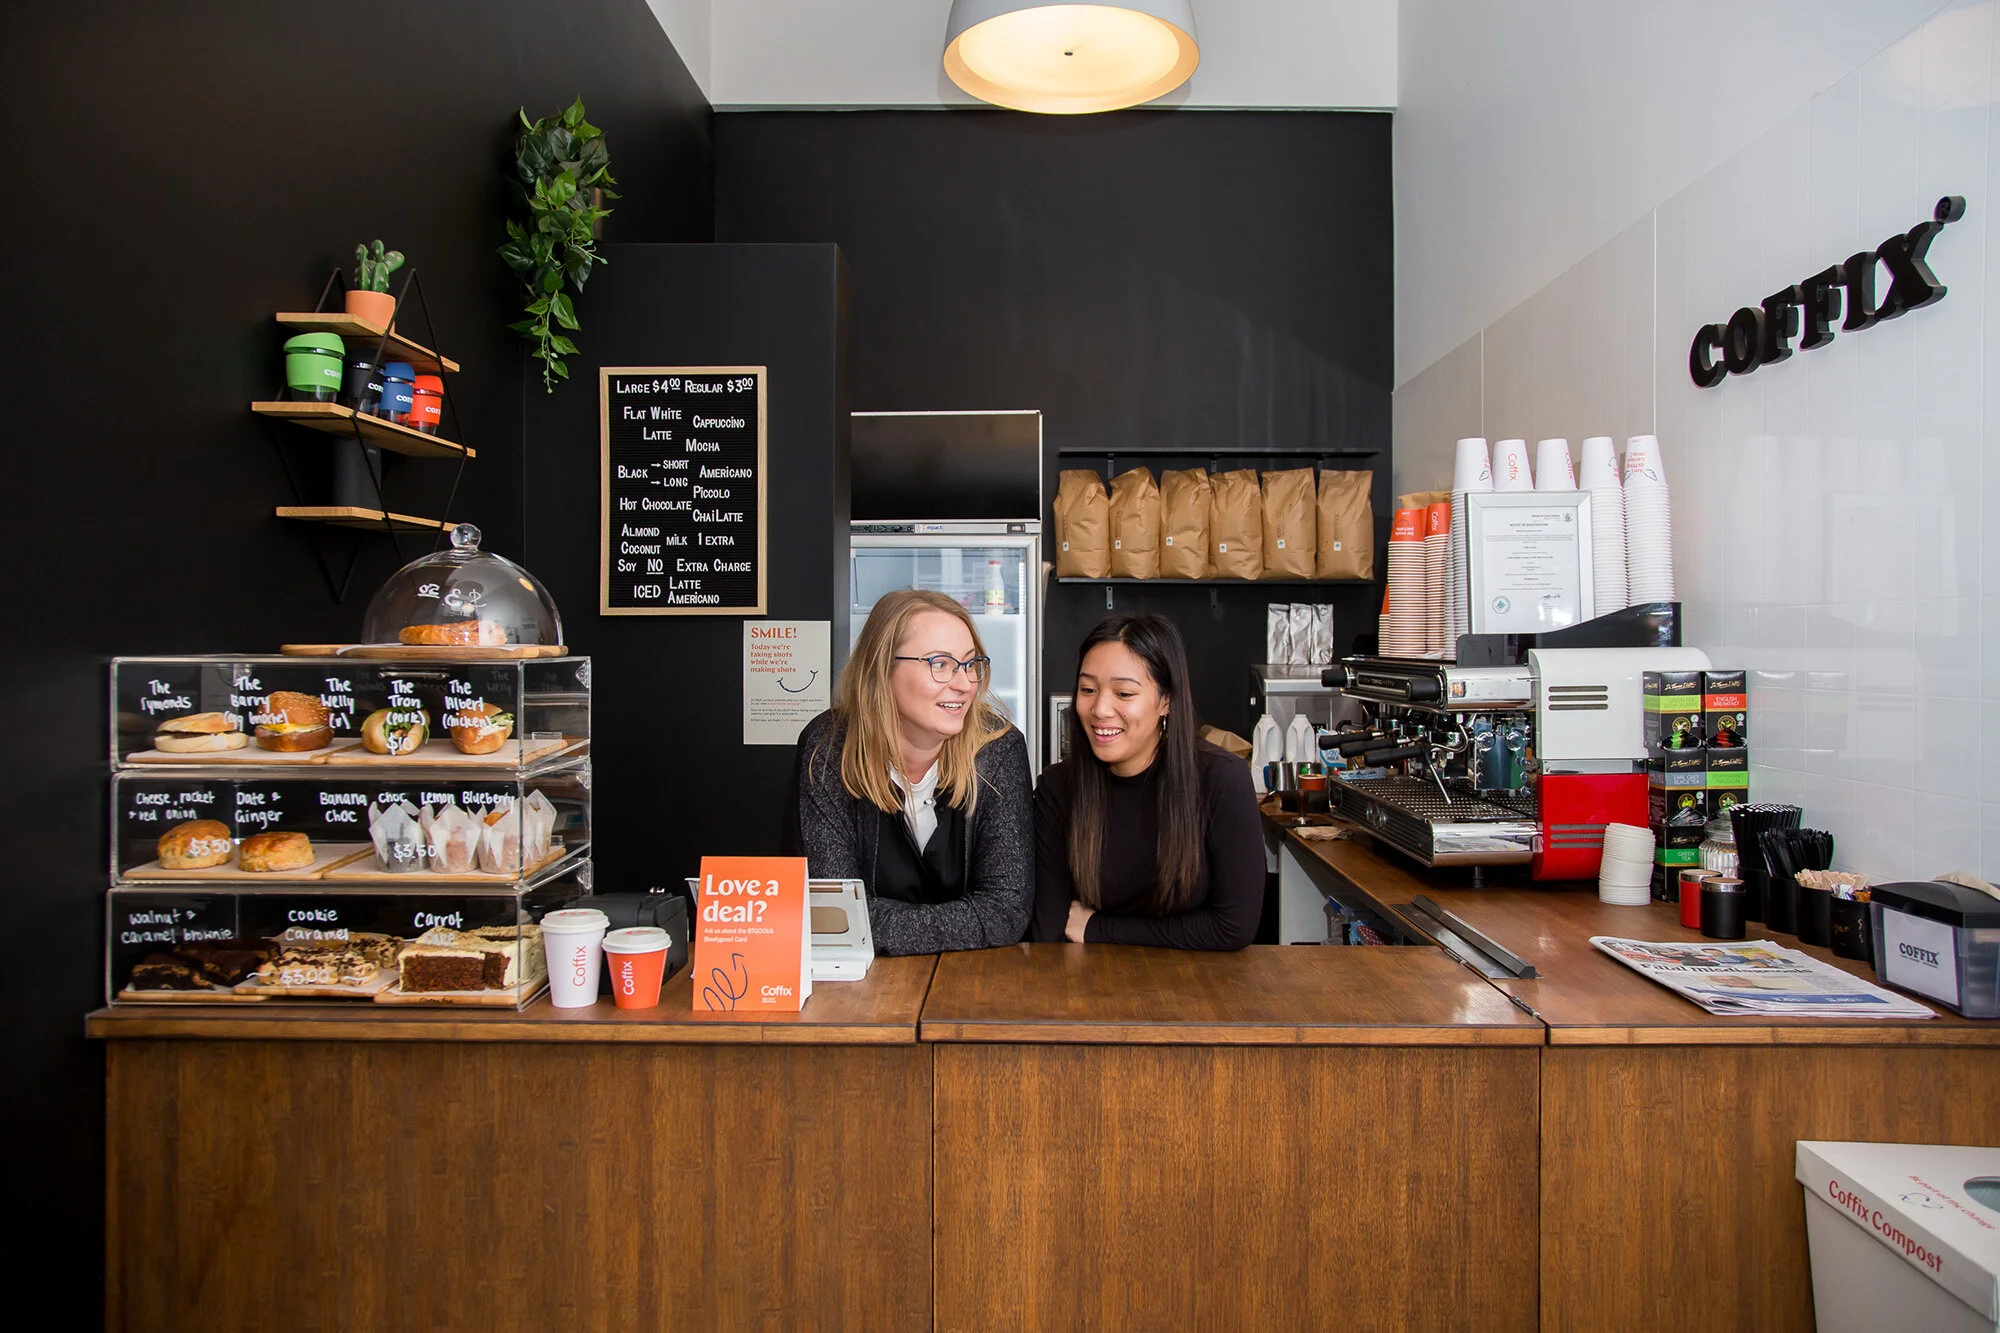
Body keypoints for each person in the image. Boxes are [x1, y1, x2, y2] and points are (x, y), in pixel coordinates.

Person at [787, 588, 1033, 955]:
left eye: (970, 663)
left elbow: (1006, 912)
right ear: (881, 669)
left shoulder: (998, 748)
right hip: (862, 993)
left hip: (976, 986)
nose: (965, 684)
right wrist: (965, 921)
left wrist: (876, 923)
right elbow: (832, 916)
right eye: (941, 663)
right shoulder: (827, 749)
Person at [1030, 612, 1262, 950]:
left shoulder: (1222, 779)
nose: (1100, 709)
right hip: (1090, 989)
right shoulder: (1058, 788)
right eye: (1088, 689)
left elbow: (1233, 927)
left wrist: (1099, 928)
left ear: (1166, 701)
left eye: (1123, 693)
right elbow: (1050, 928)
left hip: (1199, 989)